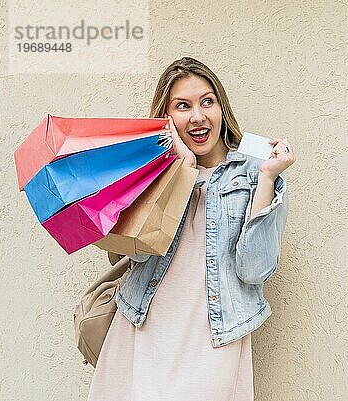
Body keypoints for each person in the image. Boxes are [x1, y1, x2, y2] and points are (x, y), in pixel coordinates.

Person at [87, 57, 295, 401]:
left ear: (221, 108)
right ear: (167, 118)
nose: (197, 116)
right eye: (183, 106)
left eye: (207, 102)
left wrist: (269, 177)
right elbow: (129, 252)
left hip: (214, 338)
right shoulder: (151, 172)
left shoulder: (253, 173)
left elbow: (254, 269)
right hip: (144, 327)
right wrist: (181, 165)